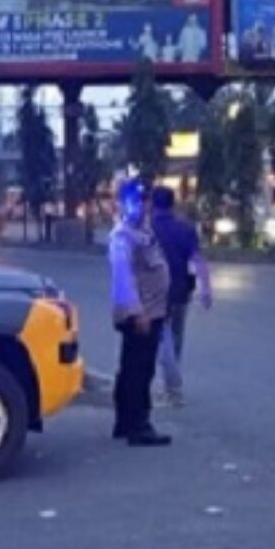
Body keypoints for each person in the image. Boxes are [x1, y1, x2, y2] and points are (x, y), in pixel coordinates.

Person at [109, 179, 172, 447]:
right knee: (139, 370)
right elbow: (123, 277)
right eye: (135, 200)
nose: (141, 205)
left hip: (153, 309)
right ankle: (139, 426)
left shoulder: (142, 231)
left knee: (131, 368)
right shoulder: (122, 236)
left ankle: (125, 422)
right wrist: (138, 312)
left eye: (144, 200)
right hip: (140, 313)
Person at [151, 185, 213, 406]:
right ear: (172, 204)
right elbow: (197, 259)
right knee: (175, 338)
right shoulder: (185, 229)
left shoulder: (149, 229)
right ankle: (170, 384)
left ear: (153, 205)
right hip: (181, 290)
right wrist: (206, 289)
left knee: (161, 338)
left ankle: (173, 389)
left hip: (155, 293)